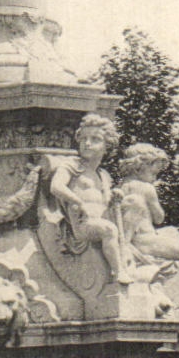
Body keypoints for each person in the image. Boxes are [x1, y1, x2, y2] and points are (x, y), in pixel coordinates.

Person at [117, 144, 179, 301]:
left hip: (133, 239)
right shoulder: (146, 188)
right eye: (154, 172)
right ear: (140, 168)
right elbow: (159, 217)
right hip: (145, 240)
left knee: (171, 232)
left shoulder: (121, 187)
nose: (155, 177)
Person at [49, 114, 131, 284]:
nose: (87, 143)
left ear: (107, 145)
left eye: (95, 139)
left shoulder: (103, 175)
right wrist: (78, 202)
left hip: (101, 221)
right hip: (80, 225)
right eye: (84, 138)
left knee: (132, 207)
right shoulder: (72, 165)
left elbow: (105, 203)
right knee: (109, 230)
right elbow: (56, 186)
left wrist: (116, 196)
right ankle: (118, 272)